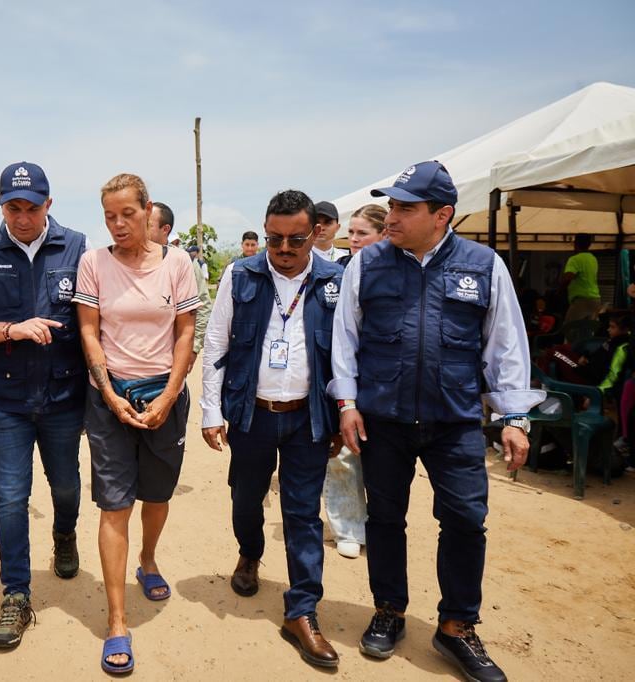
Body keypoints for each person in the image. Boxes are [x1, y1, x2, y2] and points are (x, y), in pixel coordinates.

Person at [329, 160, 545, 682]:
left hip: (456, 421)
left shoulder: (483, 265)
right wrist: (348, 404)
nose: (392, 216)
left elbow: (505, 344)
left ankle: (456, 626)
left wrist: (514, 416)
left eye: (406, 207)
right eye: (392, 205)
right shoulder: (367, 264)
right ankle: (389, 609)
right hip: (384, 419)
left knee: (466, 520)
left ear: (442, 214)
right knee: (384, 518)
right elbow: (345, 339)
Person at [201, 190, 343, 669]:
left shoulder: (334, 280)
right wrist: (211, 411)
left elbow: (347, 352)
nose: (283, 249)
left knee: (303, 513)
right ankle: (249, 553)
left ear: (315, 233)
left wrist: (343, 411)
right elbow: (216, 341)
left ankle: (302, 610)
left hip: (308, 417)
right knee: (246, 497)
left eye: (295, 240)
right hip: (251, 413)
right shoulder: (241, 274)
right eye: (274, 238)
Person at [0, 161, 86, 650]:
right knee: (9, 496)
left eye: (32, 208)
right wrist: (11, 330)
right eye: (13, 209)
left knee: (66, 484)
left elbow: (96, 317)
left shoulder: (77, 247)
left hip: (63, 395)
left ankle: (64, 535)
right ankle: (16, 594)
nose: (23, 218)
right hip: (5, 397)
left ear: (49, 204)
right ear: (2, 206)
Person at [75, 173, 200, 675]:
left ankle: (148, 560)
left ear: (148, 211)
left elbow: (185, 333)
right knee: (114, 504)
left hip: (163, 396)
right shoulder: (94, 263)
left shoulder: (177, 263)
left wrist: (169, 397)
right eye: (110, 216)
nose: (119, 224)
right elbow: (89, 331)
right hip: (109, 400)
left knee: (157, 494)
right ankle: (117, 620)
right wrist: (108, 392)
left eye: (128, 213)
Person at [325, 202, 387, 559]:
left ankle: (377, 525)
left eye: (362, 233)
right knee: (343, 455)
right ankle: (347, 527)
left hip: (383, 381)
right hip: (345, 375)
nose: (354, 239)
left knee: (381, 458)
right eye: (351, 232)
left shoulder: (398, 273)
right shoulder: (338, 272)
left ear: (383, 234)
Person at [148, 201, 212, 372]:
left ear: (165, 229)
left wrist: (194, 347)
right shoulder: (127, 261)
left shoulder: (184, 262)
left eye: (148, 224)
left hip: (172, 357)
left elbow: (203, 306)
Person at [561, 233, 601, 324]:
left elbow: (568, 276)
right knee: (589, 329)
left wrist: (560, 289)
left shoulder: (575, 259)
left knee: (569, 328)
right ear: (589, 245)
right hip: (595, 299)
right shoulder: (593, 259)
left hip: (582, 300)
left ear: (576, 244)